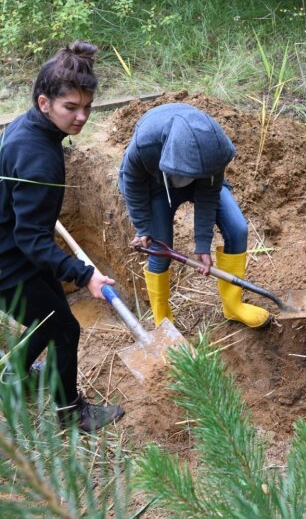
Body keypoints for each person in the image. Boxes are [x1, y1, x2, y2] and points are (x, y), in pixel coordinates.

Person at [0, 41, 125, 431]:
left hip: (13, 249)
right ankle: (71, 414)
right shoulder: (38, 158)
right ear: (44, 103)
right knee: (64, 327)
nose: (82, 117)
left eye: (86, 106)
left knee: (51, 318)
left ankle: (14, 375)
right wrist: (84, 275)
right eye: (71, 108)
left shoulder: (26, 128)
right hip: (8, 264)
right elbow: (34, 239)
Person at [119, 102, 270, 329]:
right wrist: (142, 228)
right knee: (160, 251)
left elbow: (208, 196)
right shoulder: (146, 143)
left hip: (201, 178)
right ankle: (163, 322)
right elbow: (132, 183)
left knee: (237, 228)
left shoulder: (214, 148)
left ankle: (233, 306)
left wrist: (202, 244)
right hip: (158, 186)